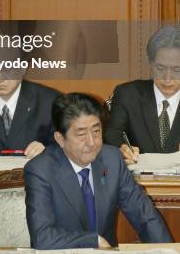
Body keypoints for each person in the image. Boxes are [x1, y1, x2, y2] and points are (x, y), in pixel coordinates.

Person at [24, 92, 172, 249]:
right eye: (81, 134)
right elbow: (42, 237)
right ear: (60, 139)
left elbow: (145, 216)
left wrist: (168, 249)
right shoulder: (40, 170)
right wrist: (93, 240)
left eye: (96, 131)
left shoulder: (112, 159)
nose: (91, 142)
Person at [104, 25, 180, 164]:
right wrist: (122, 148)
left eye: (177, 70)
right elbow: (112, 134)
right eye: (160, 68)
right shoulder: (128, 94)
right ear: (150, 63)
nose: (168, 78)